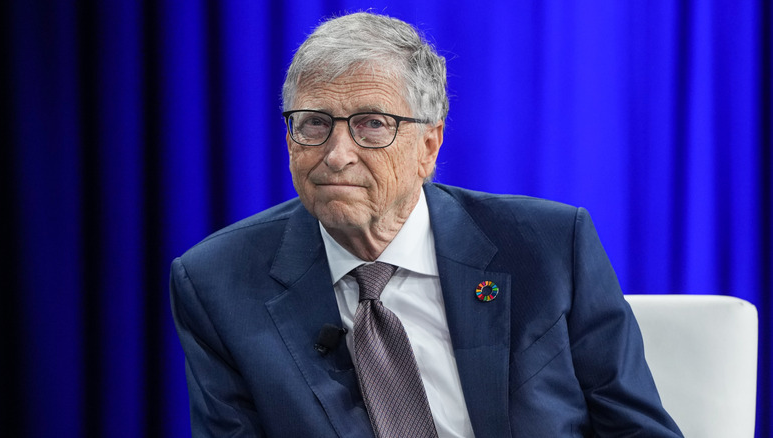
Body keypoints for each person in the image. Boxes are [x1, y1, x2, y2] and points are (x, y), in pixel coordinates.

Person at [170, 11, 682, 438]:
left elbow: (636, 428)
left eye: (372, 124)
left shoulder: (548, 247)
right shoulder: (219, 283)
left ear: (429, 146)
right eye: (314, 123)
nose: (337, 155)